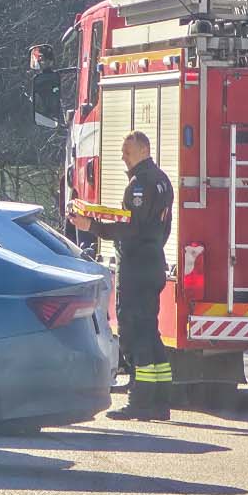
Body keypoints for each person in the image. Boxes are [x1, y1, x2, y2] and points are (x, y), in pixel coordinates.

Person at [73, 130, 175, 420]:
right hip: (153, 261)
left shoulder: (140, 185)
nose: (123, 158)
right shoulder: (163, 181)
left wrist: (92, 225)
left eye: (127, 152)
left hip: (137, 265)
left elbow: (132, 228)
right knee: (151, 333)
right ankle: (159, 400)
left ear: (143, 150)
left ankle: (140, 400)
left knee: (134, 332)